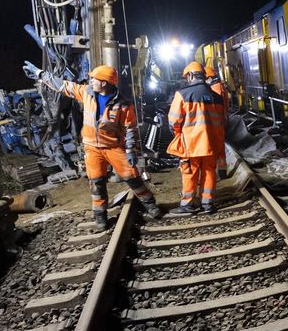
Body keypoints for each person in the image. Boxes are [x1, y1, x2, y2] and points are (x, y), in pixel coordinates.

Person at [23, 61, 162, 230]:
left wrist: (131, 150)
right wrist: (40, 74)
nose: (91, 82)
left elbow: (130, 128)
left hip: (113, 147)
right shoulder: (86, 93)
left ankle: (150, 205)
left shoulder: (124, 104)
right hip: (92, 147)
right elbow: (63, 86)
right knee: (96, 182)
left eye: (94, 79)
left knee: (132, 176)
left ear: (104, 83)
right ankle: (100, 217)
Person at [167, 61, 227, 216]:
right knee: (209, 172)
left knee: (189, 172)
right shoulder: (216, 96)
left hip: (191, 144)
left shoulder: (183, 94)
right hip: (211, 143)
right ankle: (207, 203)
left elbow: (173, 120)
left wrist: (178, 134)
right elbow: (222, 121)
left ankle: (188, 204)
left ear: (191, 75)